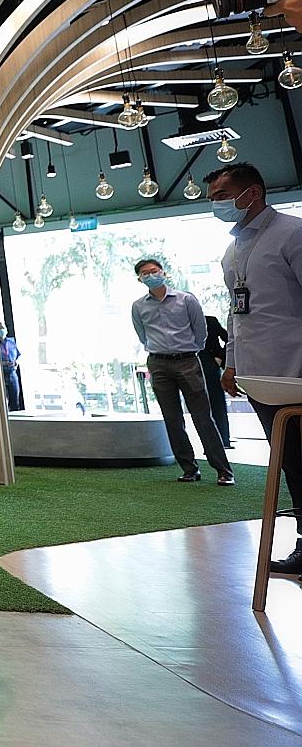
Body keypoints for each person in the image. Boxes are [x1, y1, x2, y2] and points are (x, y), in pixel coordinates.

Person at [207, 162, 302, 574]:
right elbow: (236, 314)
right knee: (291, 463)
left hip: (297, 370)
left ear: (253, 193)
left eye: (222, 197)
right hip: (261, 378)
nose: (217, 206)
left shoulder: (292, 233)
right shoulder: (234, 249)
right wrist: (231, 364)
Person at [129, 259, 234, 485]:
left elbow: (200, 332)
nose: (150, 275)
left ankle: (223, 470)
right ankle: (189, 469)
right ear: (140, 279)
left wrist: (189, 350)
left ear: (163, 272)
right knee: (172, 419)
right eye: (145, 273)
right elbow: (142, 335)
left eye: (154, 271)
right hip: (158, 363)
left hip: (187, 361)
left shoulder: (186, 299)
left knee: (202, 417)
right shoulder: (138, 306)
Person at [199, 315, 233, 449]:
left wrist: (219, 357)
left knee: (216, 402)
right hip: (191, 361)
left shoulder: (209, 321)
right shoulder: (179, 322)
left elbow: (229, 339)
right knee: (201, 405)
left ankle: (223, 440)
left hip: (208, 363)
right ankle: (211, 443)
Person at [0, 322, 23, 412]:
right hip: (1, 375)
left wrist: (16, 362)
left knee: (15, 400)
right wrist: (2, 364)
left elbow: (18, 355)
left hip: (12, 374)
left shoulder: (11, 342)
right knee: (2, 402)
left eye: (2, 328)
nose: (1, 330)